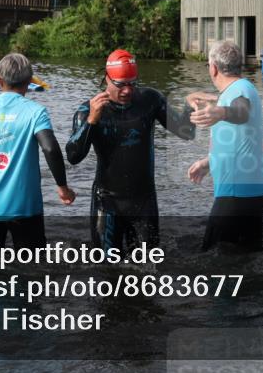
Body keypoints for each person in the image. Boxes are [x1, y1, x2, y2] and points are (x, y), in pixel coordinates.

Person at [65, 49, 195, 251]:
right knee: (107, 269)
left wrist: (190, 106)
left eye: (132, 83)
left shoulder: (149, 100)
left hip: (144, 201)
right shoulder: (88, 111)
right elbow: (73, 156)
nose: (127, 90)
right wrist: (92, 120)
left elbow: (186, 132)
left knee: (149, 267)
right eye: (120, 85)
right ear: (107, 79)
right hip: (106, 202)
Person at [0, 53, 76, 250]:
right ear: (29, 81)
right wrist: (62, 187)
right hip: (26, 207)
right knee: (32, 272)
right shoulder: (36, 112)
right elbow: (50, 148)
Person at [186, 41, 263, 252]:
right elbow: (244, 143)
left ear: (213, 68)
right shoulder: (243, 88)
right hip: (255, 192)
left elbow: (240, 112)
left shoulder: (239, 92)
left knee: (211, 257)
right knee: (247, 258)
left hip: (236, 195)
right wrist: (208, 163)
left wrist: (221, 112)